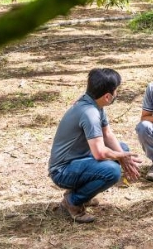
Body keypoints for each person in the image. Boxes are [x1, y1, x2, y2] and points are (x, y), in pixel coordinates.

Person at [48, 68, 141, 223]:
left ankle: (85, 194)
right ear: (107, 96)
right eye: (116, 90)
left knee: (122, 149)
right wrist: (120, 158)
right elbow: (99, 153)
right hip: (62, 171)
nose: (117, 93)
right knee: (112, 171)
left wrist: (125, 157)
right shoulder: (89, 113)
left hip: (79, 159)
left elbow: (107, 134)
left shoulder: (94, 103)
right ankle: (73, 201)